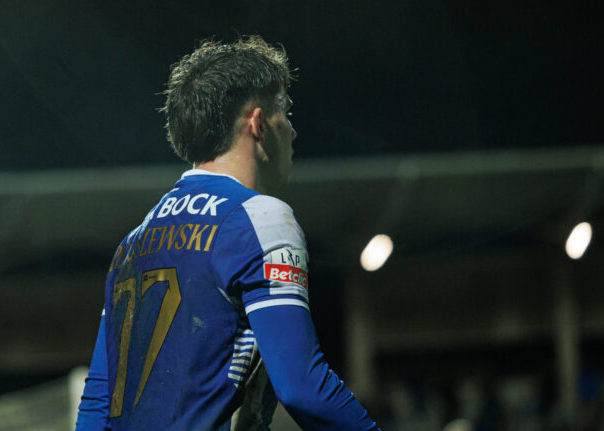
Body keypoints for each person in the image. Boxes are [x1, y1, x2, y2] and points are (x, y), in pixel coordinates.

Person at [75, 36, 379, 431]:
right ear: (256, 123)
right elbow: (303, 388)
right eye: (284, 111)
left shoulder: (132, 242)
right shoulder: (260, 219)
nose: (291, 129)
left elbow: (98, 401)